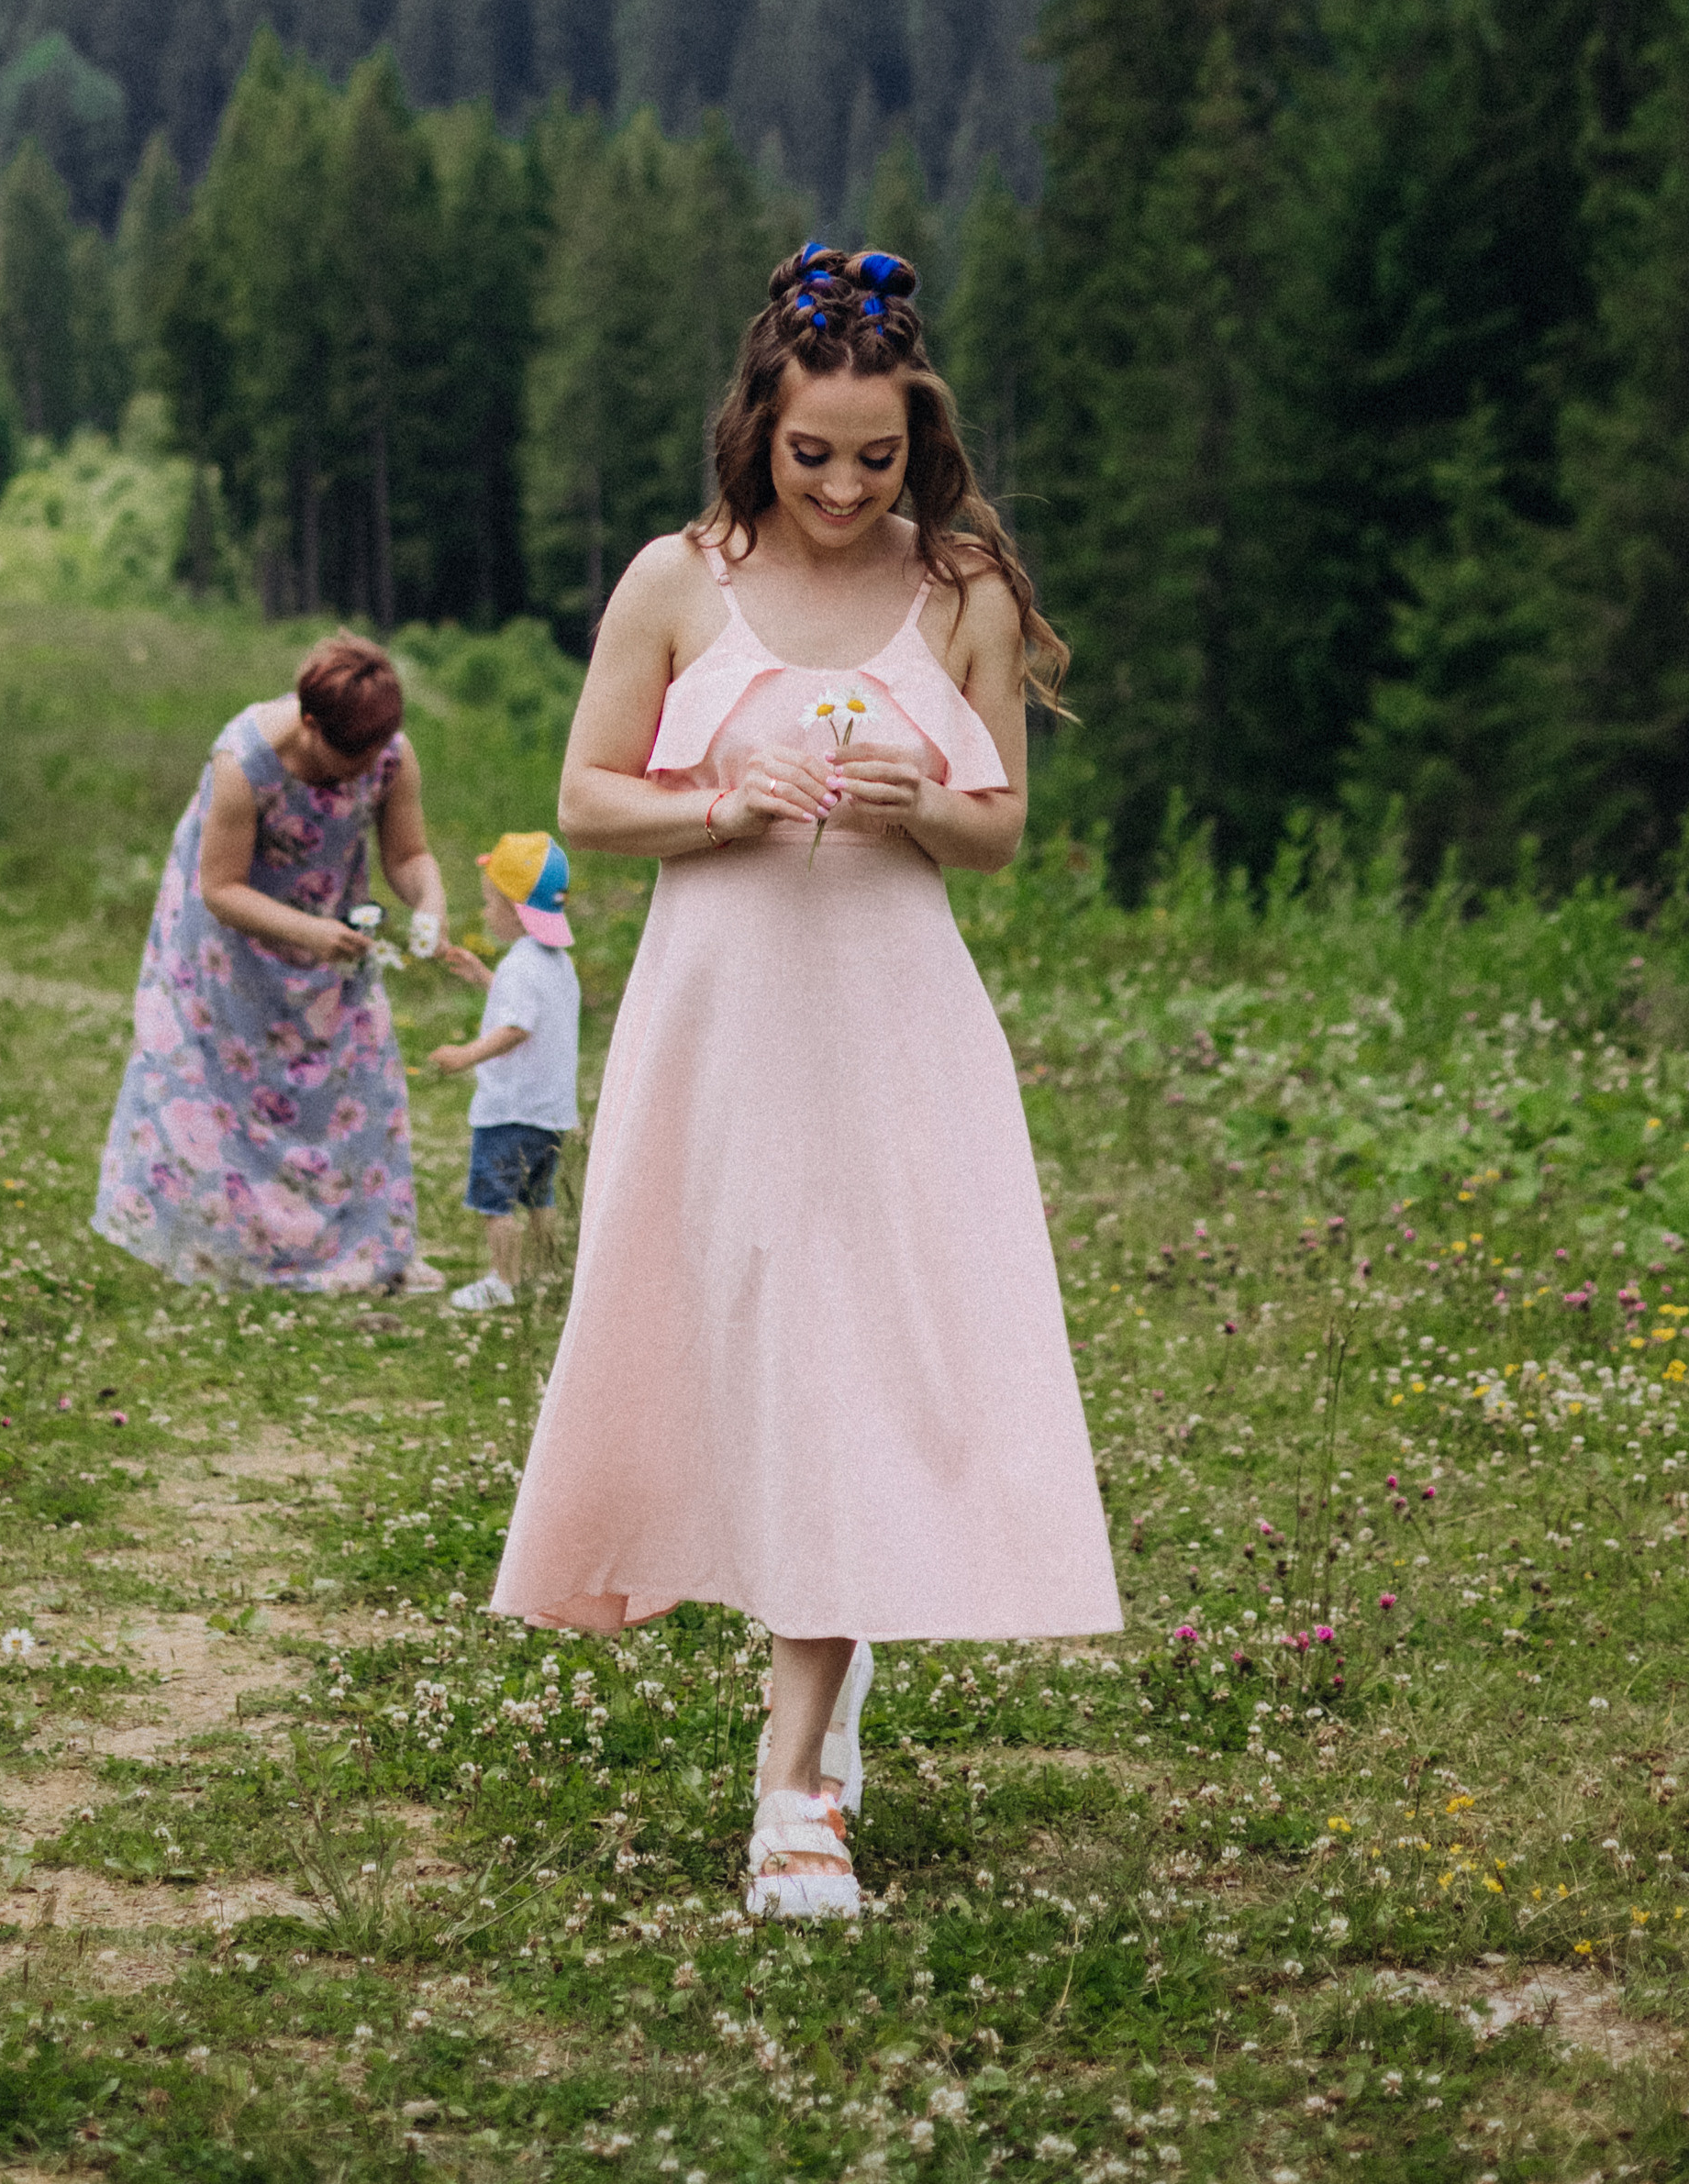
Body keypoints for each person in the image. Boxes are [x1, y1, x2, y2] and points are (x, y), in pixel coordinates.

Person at [491, 241, 1120, 1921]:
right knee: (733, 1353)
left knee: (851, 1363)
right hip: (722, 1026)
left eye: (877, 459)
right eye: (809, 456)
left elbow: (995, 839)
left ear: (921, 444)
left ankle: (794, 1799)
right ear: (753, 432)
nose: (843, 490)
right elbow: (584, 801)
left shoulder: (962, 591)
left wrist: (916, 789)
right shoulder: (675, 583)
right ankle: (805, 1727)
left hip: (891, 1030)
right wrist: (723, 795)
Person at [93, 630, 449, 1296]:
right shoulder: (244, 762)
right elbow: (220, 886)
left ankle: (369, 1252)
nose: (363, 769)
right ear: (309, 721)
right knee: (228, 1094)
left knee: (360, 1082)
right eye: (349, 755)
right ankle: (236, 1253)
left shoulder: (387, 756)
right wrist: (309, 932)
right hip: (230, 947)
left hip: (329, 942)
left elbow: (405, 854)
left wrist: (429, 898)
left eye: (375, 752)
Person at [430, 832, 583, 1314]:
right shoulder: (554, 962)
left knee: (495, 1202)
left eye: (490, 903)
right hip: (548, 1112)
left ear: (515, 909)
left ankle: (504, 1280)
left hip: (509, 1111)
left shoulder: (522, 966)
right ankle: (548, 1269)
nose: (485, 913)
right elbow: (533, 1009)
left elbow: (517, 1026)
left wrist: (465, 1055)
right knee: (539, 1198)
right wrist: (482, 977)